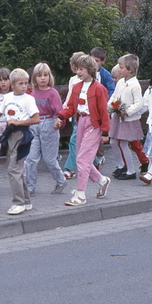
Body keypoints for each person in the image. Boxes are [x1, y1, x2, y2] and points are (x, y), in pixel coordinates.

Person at [0, 67, 40, 214]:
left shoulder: (28, 99)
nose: (24, 86)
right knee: (16, 168)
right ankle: (25, 200)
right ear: (12, 85)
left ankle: (18, 202)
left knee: (14, 169)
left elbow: (36, 119)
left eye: (26, 83)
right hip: (9, 134)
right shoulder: (8, 97)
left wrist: (19, 122)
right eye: (20, 83)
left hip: (21, 134)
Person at [55, 54, 111, 206]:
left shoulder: (99, 89)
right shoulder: (76, 87)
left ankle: (81, 194)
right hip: (80, 122)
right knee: (83, 158)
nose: (78, 72)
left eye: (81, 69)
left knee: (81, 159)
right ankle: (102, 180)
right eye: (77, 69)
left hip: (94, 125)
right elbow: (72, 107)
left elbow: (104, 111)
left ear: (90, 70)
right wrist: (61, 116)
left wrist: (105, 132)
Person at [24, 62, 67, 195]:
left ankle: (61, 180)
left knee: (49, 160)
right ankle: (30, 187)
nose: (43, 78)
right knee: (31, 158)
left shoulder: (53, 93)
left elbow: (59, 112)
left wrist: (59, 122)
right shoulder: (32, 94)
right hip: (34, 125)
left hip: (49, 124)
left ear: (50, 77)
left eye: (45, 75)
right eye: (39, 75)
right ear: (34, 78)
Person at [108, 54, 145, 180]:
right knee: (113, 141)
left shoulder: (135, 85)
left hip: (127, 119)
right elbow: (114, 97)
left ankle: (131, 171)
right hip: (117, 117)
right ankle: (121, 165)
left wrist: (127, 111)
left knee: (123, 144)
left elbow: (139, 104)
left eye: (121, 67)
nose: (119, 69)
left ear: (130, 70)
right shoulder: (120, 83)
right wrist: (111, 106)